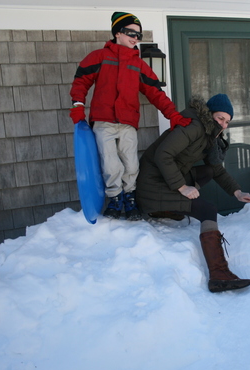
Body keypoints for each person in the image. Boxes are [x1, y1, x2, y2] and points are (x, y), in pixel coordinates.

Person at [69, 12, 191, 221]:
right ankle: (115, 199)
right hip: (103, 121)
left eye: (138, 35)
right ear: (117, 33)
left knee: (131, 164)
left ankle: (130, 198)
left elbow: (155, 93)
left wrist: (173, 115)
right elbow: (81, 81)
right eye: (130, 33)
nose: (135, 38)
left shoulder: (139, 64)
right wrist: (78, 106)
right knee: (110, 164)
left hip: (127, 123)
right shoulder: (99, 57)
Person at [136, 93, 250, 293]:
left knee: (207, 171)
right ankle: (219, 274)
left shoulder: (209, 133)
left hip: (167, 180)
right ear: (209, 114)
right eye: (220, 119)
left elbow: (216, 169)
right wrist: (182, 188)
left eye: (227, 122)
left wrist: (236, 191)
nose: (224, 125)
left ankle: (169, 209)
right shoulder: (194, 126)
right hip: (152, 186)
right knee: (207, 209)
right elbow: (162, 154)